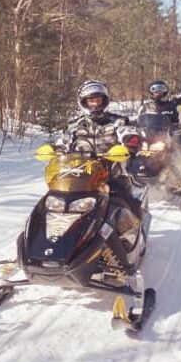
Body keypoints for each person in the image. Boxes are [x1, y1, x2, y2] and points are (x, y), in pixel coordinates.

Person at [67, 80, 143, 245]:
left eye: (98, 99)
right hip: (81, 176)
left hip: (112, 175)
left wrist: (131, 141)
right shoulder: (74, 125)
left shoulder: (117, 121)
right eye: (90, 100)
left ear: (104, 101)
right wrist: (52, 149)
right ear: (83, 102)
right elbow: (63, 142)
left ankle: (136, 239)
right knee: (60, 203)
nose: (94, 103)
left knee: (126, 203)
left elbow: (128, 133)